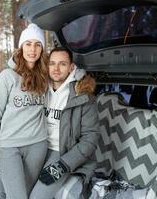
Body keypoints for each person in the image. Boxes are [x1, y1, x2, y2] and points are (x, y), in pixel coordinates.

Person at [0, 23, 49, 199]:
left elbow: (64, 78)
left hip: (38, 144)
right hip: (9, 146)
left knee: (9, 189)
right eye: (28, 44)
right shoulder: (7, 76)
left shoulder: (45, 77)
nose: (32, 49)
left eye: (37, 44)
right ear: (21, 47)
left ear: (42, 48)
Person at [29, 47, 100, 199]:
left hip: (62, 153)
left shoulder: (84, 96)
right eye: (52, 63)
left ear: (71, 67)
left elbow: (90, 139)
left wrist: (63, 165)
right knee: (0, 186)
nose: (56, 68)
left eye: (62, 64)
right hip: (36, 148)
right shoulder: (38, 89)